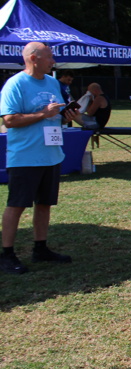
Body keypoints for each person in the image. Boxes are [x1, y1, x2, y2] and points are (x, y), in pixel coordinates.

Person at [0, 42, 74, 274]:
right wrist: (43, 113)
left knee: (44, 204)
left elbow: (55, 115)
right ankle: (7, 254)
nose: (53, 61)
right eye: (49, 57)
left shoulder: (52, 82)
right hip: (25, 156)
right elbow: (9, 120)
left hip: (51, 154)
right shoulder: (15, 84)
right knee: (17, 205)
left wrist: (66, 116)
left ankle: (40, 248)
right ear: (33, 58)